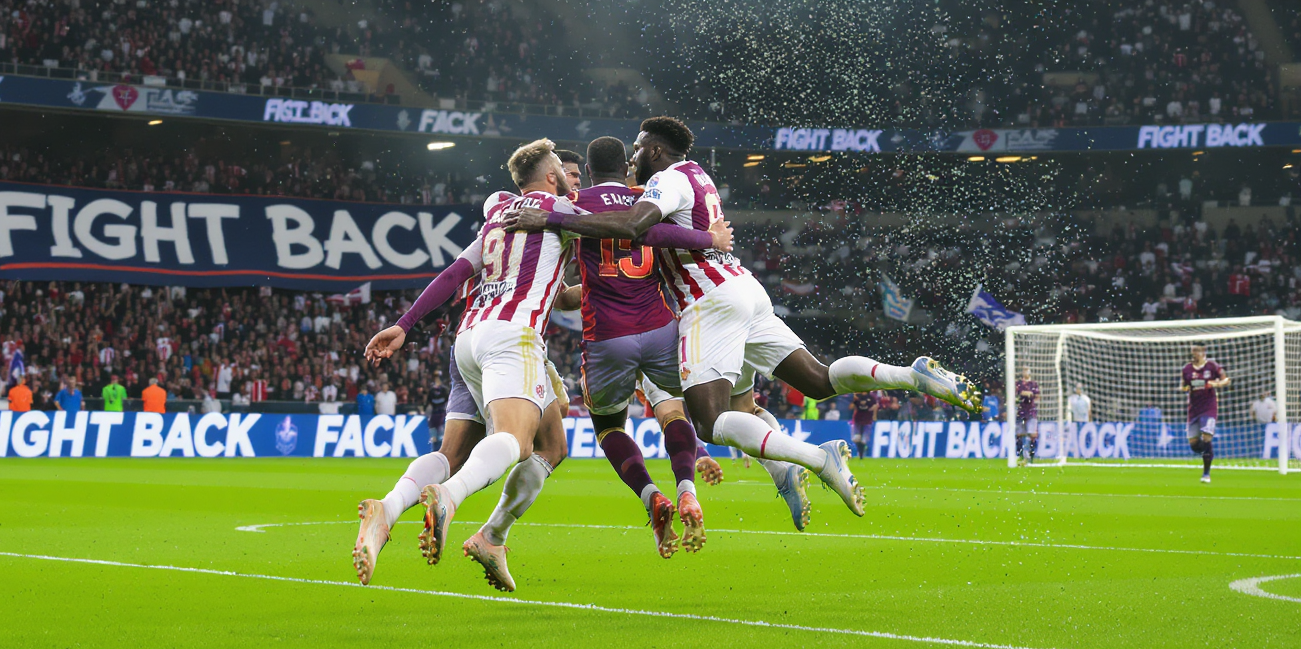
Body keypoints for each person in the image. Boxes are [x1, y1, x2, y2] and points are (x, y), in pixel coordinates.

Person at [503, 116, 982, 522]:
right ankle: (909, 375)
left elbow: (633, 227)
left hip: (709, 302)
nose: (633, 157)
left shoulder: (665, 182)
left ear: (655, 151)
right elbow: (647, 227)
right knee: (813, 381)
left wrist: (553, 218)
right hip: (744, 288)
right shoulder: (698, 175)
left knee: (710, 422)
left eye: (639, 149)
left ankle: (818, 457)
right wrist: (705, 239)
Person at [355, 138, 582, 592]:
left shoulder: (499, 215)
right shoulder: (564, 212)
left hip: (469, 338)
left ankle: (389, 510)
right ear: (551, 176)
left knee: (491, 450)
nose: (572, 178)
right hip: (513, 337)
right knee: (517, 441)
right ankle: (452, 497)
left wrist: (404, 324)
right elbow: (625, 222)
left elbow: (455, 274)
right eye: (565, 169)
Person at [556, 134, 749, 551]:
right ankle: (687, 488)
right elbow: (668, 237)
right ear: (626, 165)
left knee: (609, 426)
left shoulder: (573, 205)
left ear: (587, 171)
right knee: (675, 409)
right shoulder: (646, 198)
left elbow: (568, 283)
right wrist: (711, 239)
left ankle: (650, 496)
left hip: (609, 335)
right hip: (661, 327)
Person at [1181, 345, 1229, 483]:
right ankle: (1208, 453)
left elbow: (1226, 379)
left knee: (1207, 437)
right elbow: (1184, 386)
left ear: (1203, 352)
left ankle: (1206, 474)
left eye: (1197, 350)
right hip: (1194, 409)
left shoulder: (1212, 366)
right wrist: (1186, 387)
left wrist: (1216, 384)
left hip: (1209, 408)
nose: (1194, 353)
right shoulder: (1187, 369)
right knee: (1194, 444)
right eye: (1193, 351)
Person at [1015, 368, 1039, 465]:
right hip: (1021, 411)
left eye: (1027, 370)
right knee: (1019, 434)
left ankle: (1031, 457)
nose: (1025, 372)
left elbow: (1037, 396)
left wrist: (1029, 394)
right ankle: (1021, 456)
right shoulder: (1019, 383)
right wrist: (1028, 393)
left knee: (1032, 434)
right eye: (1024, 370)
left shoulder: (1033, 384)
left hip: (1031, 411)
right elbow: (1019, 393)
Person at [850, 391, 881, 459]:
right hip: (858, 419)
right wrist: (853, 399)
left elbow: (875, 405)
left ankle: (862, 453)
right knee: (856, 438)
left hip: (867, 419)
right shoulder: (857, 397)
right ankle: (860, 451)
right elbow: (852, 407)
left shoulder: (871, 397)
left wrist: (874, 415)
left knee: (864, 439)